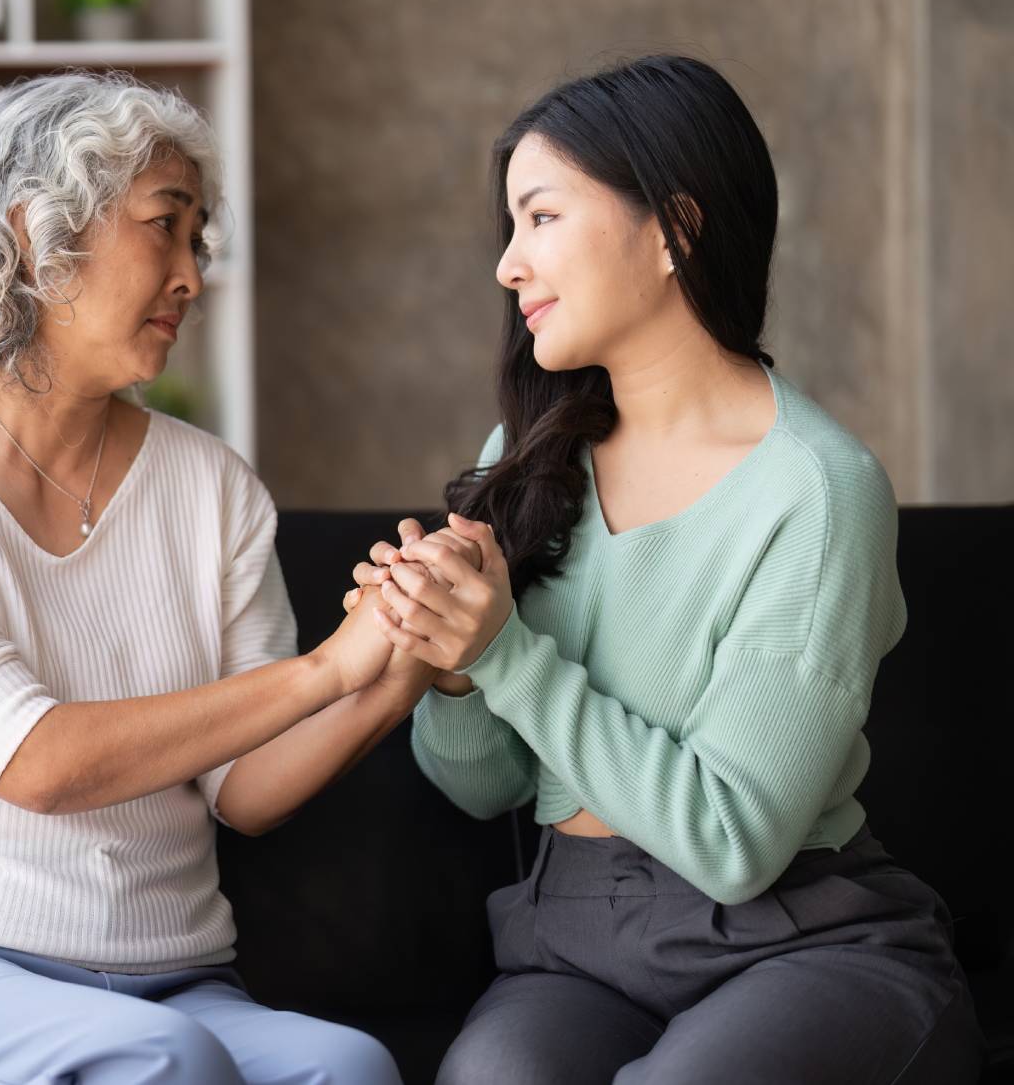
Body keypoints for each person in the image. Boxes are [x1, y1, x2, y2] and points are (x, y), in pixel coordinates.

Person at [0, 71, 440, 1084]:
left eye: (199, 240)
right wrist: (322, 669)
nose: (191, 275)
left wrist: (395, 657)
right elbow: (39, 762)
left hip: (171, 980)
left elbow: (247, 791)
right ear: (33, 236)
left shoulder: (210, 483)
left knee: (345, 1067)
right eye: (164, 227)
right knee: (159, 1060)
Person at [346, 54, 984, 1085]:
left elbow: (732, 840)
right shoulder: (532, 453)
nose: (509, 265)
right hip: (576, 941)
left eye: (542, 218)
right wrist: (454, 668)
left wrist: (505, 654)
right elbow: (484, 786)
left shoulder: (816, 491)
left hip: (796, 936)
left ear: (675, 230)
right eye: (510, 228)